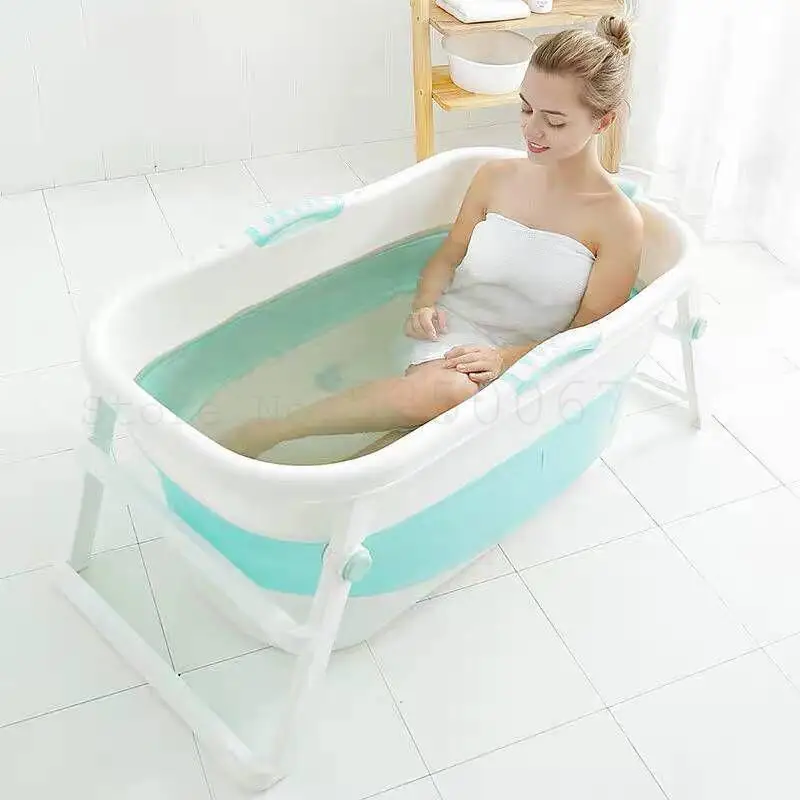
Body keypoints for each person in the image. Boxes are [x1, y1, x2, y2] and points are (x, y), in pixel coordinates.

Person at [219, 15, 643, 461]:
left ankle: (306, 456)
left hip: (534, 364)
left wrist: (505, 359)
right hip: (449, 336)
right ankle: (278, 433)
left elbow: (588, 334)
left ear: (602, 122)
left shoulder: (619, 223)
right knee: (451, 391)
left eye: (554, 121)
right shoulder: (496, 177)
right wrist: (423, 304)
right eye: (525, 108)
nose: (531, 131)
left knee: (446, 404)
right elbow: (448, 255)